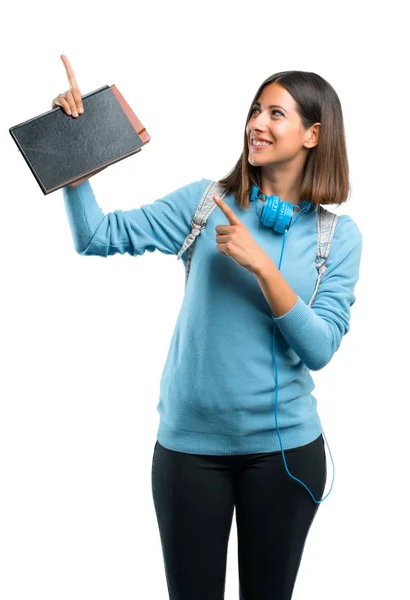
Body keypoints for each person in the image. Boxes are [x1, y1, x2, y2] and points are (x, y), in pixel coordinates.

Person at [53, 55, 362, 600]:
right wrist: (75, 154)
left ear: (314, 134)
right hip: (188, 453)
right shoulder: (206, 202)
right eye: (254, 110)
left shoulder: (335, 237)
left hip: (286, 454)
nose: (256, 124)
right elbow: (94, 236)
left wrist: (263, 267)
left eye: (276, 114)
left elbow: (320, 349)